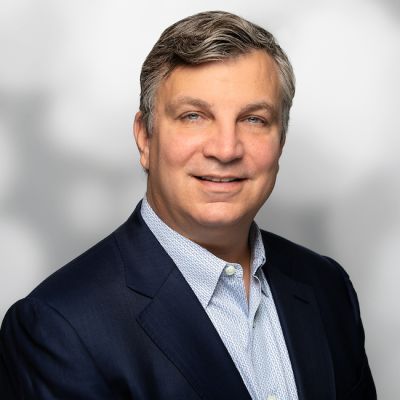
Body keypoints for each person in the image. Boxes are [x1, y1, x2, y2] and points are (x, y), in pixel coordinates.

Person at [0, 10, 376, 400]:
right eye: (194, 116)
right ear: (145, 138)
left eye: (254, 119)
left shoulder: (327, 286)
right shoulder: (59, 327)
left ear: (281, 141)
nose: (226, 149)